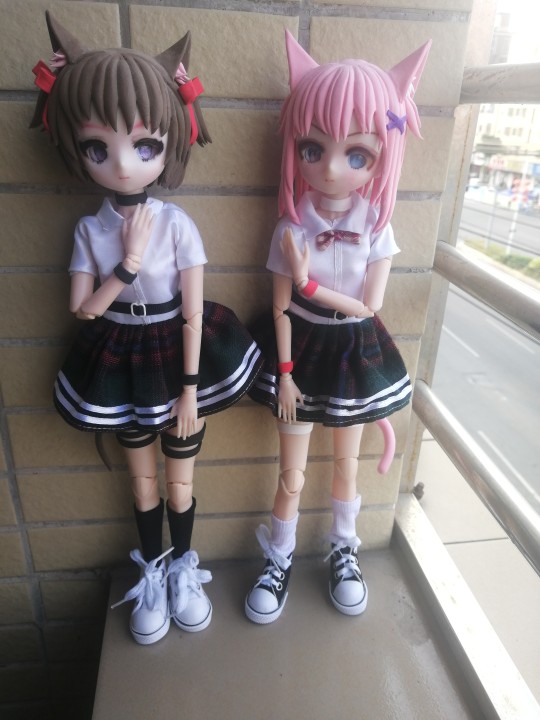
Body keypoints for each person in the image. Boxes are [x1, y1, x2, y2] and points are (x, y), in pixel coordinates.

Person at [31, 12, 262, 644]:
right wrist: (127, 266)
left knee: (180, 482)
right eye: (98, 148)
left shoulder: (177, 223)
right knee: (141, 484)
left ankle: (185, 568)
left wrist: (189, 388)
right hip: (118, 356)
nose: (123, 164)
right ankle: (154, 573)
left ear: (169, 143)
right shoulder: (91, 228)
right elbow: (83, 308)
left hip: (176, 352)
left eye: (144, 146)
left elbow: (193, 310)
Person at [246, 31, 430, 624]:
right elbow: (279, 309)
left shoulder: (375, 226)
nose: (330, 168)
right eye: (313, 148)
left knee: (346, 464)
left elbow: (368, 307)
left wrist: (309, 285)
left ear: (382, 155)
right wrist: (285, 374)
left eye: (357, 155)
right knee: (292, 472)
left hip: (351, 350)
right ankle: (278, 557)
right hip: (299, 350)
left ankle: (343, 549)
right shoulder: (290, 227)